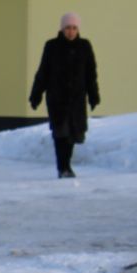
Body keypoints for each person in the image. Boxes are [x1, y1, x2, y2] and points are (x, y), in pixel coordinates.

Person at [29, 12, 100, 179]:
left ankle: (66, 165)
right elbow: (43, 72)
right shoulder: (52, 46)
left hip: (76, 99)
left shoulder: (84, 46)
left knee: (73, 134)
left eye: (74, 28)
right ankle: (63, 167)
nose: (71, 31)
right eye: (68, 28)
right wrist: (36, 95)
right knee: (61, 133)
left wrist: (93, 95)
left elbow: (91, 74)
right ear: (62, 29)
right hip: (57, 98)